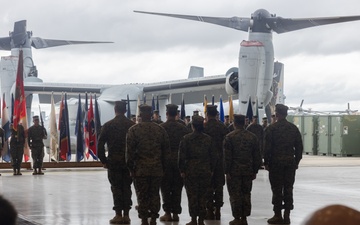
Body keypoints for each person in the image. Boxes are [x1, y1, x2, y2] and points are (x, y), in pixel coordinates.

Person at [126, 104, 170, 225]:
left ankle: (144, 219)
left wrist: (130, 168)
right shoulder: (160, 130)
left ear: (140, 115)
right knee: (155, 193)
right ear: (151, 115)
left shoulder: (133, 130)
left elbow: (129, 153)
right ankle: (154, 218)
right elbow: (166, 152)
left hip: (140, 170)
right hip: (157, 169)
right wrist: (164, 168)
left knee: (142, 194)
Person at [264, 104, 303, 224]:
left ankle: (277, 215)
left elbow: (267, 148)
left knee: (276, 189)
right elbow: (299, 148)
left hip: (276, 164)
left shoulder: (271, 129)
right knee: (288, 188)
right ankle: (287, 214)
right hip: (289, 164)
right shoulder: (293, 128)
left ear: (277, 114)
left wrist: (266, 162)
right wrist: (296, 161)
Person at [98, 101, 135, 224]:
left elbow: (100, 144)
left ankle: (118, 214)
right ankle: (127, 214)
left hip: (113, 162)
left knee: (116, 188)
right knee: (127, 187)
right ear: (125, 110)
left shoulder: (108, 125)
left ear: (115, 110)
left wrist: (104, 160)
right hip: (128, 162)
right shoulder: (132, 125)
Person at [223, 114, 261, 225]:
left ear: (234, 123)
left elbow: (227, 157)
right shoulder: (252, 137)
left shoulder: (229, 137)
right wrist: (255, 170)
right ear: (244, 123)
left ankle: (237, 218)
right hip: (248, 171)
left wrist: (226, 171)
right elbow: (257, 156)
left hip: (234, 172)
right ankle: (244, 218)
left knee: (235, 195)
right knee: (246, 193)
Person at [179, 115, 216, 225]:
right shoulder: (208, 139)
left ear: (193, 126)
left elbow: (181, 157)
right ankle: (201, 220)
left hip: (191, 170)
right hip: (205, 170)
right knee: (203, 196)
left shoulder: (186, 139)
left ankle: (194, 219)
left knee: (192, 196)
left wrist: (182, 170)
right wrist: (211, 169)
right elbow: (214, 156)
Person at [159, 104, 190, 222]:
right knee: (177, 188)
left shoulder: (161, 128)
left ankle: (167, 213)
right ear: (177, 114)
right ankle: (176, 213)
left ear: (166, 114)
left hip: (165, 162)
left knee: (166, 187)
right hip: (179, 162)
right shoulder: (183, 128)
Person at [203, 105, 229, 220]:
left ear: (207, 114)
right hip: (220, 162)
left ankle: (209, 211)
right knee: (219, 186)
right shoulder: (223, 127)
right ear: (216, 114)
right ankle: (218, 210)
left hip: (207, 162)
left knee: (208, 186)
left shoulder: (204, 127)